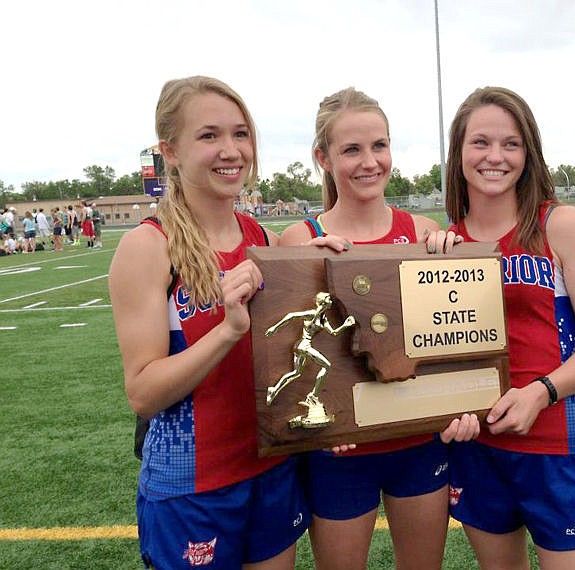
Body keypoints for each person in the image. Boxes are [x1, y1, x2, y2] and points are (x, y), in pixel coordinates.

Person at [109, 76, 308, 569]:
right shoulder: (147, 247)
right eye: (209, 135)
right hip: (191, 487)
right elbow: (143, 392)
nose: (231, 150)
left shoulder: (259, 234)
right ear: (170, 151)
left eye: (240, 134)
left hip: (271, 466)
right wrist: (227, 331)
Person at [278, 87, 478, 570]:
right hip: (341, 453)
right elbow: (288, 357)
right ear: (322, 157)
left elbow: (449, 338)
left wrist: (463, 402)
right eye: (351, 149)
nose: (369, 161)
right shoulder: (300, 239)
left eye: (379, 146)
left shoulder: (423, 231)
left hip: (417, 442)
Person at [443, 87, 575, 569]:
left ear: (529, 153)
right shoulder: (443, 243)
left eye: (511, 143)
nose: (495, 157)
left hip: (558, 446)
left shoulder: (560, 224)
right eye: (480, 142)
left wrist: (540, 392)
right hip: (477, 445)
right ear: (459, 151)